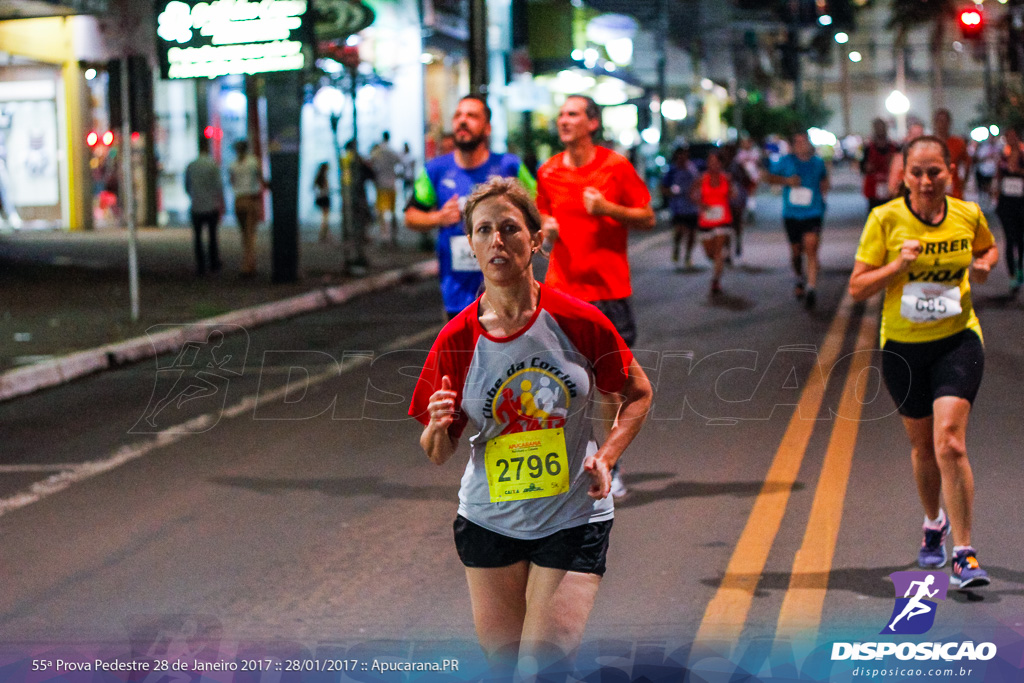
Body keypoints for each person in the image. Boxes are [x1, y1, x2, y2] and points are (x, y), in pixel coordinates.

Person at [409, 176, 652, 674]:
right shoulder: (457, 339)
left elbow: (638, 393)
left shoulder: (578, 320)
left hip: (572, 516)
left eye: (509, 228)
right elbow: (438, 452)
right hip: (488, 520)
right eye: (483, 231)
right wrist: (436, 426)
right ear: (471, 247)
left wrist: (606, 457)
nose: (496, 240)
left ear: (535, 241)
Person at [849, 135, 998, 590]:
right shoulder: (885, 219)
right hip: (903, 346)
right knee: (922, 448)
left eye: (935, 171)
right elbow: (858, 287)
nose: (926, 180)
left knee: (949, 441)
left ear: (950, 172)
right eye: (917, 171)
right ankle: (934, 521)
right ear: (903, 175)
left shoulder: (968, 214)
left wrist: (985, 265)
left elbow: (986, 249)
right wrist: (896, 267)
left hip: (957, 340)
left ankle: (965, 554)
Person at [535, 94, 655, 499]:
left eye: (572, 114)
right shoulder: (548, 171)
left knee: (610, 389)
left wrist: (607, 208)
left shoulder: (614, 167)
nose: (564, 120)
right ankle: (562, 466)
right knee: (558, 386)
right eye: (561, 114)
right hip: (561, 294)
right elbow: (538, 224)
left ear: (592, 123)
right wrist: (544, 229)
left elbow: (647, 215)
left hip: (608, 293)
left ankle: (610, 463)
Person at [405, 95, 536, 319]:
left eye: (472, 116)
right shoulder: (435, 170)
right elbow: (411, 217)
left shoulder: (509, 165)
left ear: (487, 128)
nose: (462, 120)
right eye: (458, 115)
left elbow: (539, 207)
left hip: (509, 291)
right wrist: (438, 218)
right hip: (458, 293)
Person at [763, 130, 830, 309]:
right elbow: (768, 177)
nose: (801, 145)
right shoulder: (786, 161)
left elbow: (824, 181)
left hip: (813, 212)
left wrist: (823, 196)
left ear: (809, 143)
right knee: (795, 252)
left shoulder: (818, 163)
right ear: (793, 145)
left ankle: (811, 288)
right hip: (792, 214)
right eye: (797, 142)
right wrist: (787, 181)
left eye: (804, 141)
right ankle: (799, 278)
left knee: (811, 248)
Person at [692, 151, 734, 294]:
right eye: (711, 162)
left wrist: (732, 192)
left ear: (721, 164)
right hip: (706, 220)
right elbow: (691, 194)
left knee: (717, 253)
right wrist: (701, 204)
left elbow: (733, 194)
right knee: (709, 253)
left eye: (716, 162)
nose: (713, 165)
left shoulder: (726, 178)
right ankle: (719, 261)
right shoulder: (702, 178)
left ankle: (716, 280)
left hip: (723, 220)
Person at [184, 137, 224, 276]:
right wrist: (219, 201)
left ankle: (200, 264)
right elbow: (218, 185)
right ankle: (213, 262)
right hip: (211, 205)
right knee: (212, 236)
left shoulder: (191, 165)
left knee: (198, 237)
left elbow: (187, 186)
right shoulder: (213, 165)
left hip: (196, 205)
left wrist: (193, 195)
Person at [993, 125, 1024, 293]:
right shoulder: (1002, 156)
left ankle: (1020, 269)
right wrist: (995, 191)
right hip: (1006, 203)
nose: (1011, 139)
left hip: (1021, 202)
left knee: (1020, 239)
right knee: (1009, 238)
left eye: (1013, 136)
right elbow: (997, 177)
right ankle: (1012, 275)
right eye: (1008, 136)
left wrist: (1018, 171)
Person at [228, 140, 264, 276]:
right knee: (251, 232)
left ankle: (247, 262)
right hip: (251, 199)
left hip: (239, 200)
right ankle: (249, 263)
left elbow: (231, 181)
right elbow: (260, 178)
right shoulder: (253, 162)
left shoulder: (233, 164)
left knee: (244, 233)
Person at [661, 145, 700, 269]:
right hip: (678, 207)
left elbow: (699, 182)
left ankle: (688, 256)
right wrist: (671, 193)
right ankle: (677, 248)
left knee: (692, 234)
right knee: (679, 231)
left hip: (692, 207)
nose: (682, 158)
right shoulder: (672, 171)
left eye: (684, 155)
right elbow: (663, 187)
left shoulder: (693, 168)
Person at [861, 118, 900, 211]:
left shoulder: (894, 147)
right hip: (873, 189)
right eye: (877, 127)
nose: (880, 129)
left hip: (890, 187)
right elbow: (862, 166)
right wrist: (867, 167)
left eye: (882, 127)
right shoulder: (867, 148)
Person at [370, 131, 402, 246]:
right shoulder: (392, 151)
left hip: (381, 184)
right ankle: (393, 235)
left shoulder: (377, 151)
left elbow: (371, 163)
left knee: (382, 212)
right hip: (392, 184)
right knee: (392, 212)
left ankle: (385, 236)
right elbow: (400, 161)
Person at [723, 144, 753, 264]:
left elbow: (747, 180)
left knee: (735, 223)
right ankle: (728, 251)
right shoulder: (721, 166)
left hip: (736, 199)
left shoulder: (737, 166)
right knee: (726, 227)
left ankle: (737, 244)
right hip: (724, 199)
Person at [933, 109, 970, 200]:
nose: (942, 124)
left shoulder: (958, 143)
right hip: (933, 187)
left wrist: (963, 181)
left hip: (954, 189)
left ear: (949, 123)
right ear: (935, 123)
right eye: (939, 121)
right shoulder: (928, 143)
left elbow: (967, 162)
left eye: (945, 121)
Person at [887, 120, 926, 198]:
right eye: (914, 136)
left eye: (920, 136)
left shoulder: (930, 160)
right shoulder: (899, 160)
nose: (917, 140)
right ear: (908, 138)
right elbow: (892, 188)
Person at [314, 162, 331, 243]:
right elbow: (325, 189)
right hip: (324, 199)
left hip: (322, 198)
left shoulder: (319, 177)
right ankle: (323, 234)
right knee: (325, 218)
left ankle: (324, 234)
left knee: (325, 218)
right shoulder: (323, 178)